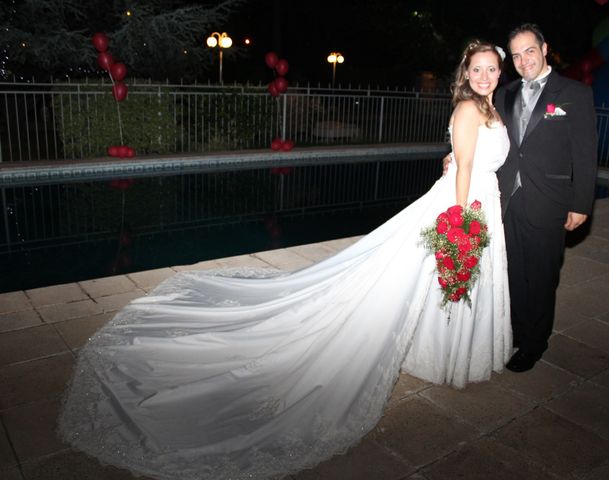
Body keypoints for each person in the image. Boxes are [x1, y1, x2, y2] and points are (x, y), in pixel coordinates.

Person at [58, 41, 511, 480]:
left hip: (476, 201)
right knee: (423, 277)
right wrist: (459, 220)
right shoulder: (470, 108)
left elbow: (464, 159)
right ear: (465, 74)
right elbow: (466, 167)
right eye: (477, 69)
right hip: (462, 206)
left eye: (491, 68)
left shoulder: (490, 107)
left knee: (426, 283)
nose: (485, 76)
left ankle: (440, 352)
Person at [495, 24, 597, 372]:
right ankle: (516, 331)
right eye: (516, 55)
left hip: (550, 200)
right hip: (507, 200)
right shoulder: (503, 94)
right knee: (512, 272)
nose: (523, 60)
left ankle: (535, 343)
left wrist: (581, 203)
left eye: (529, 51)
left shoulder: (575, 94)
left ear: (544, 48)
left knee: (541, 276)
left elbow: (585, 154)